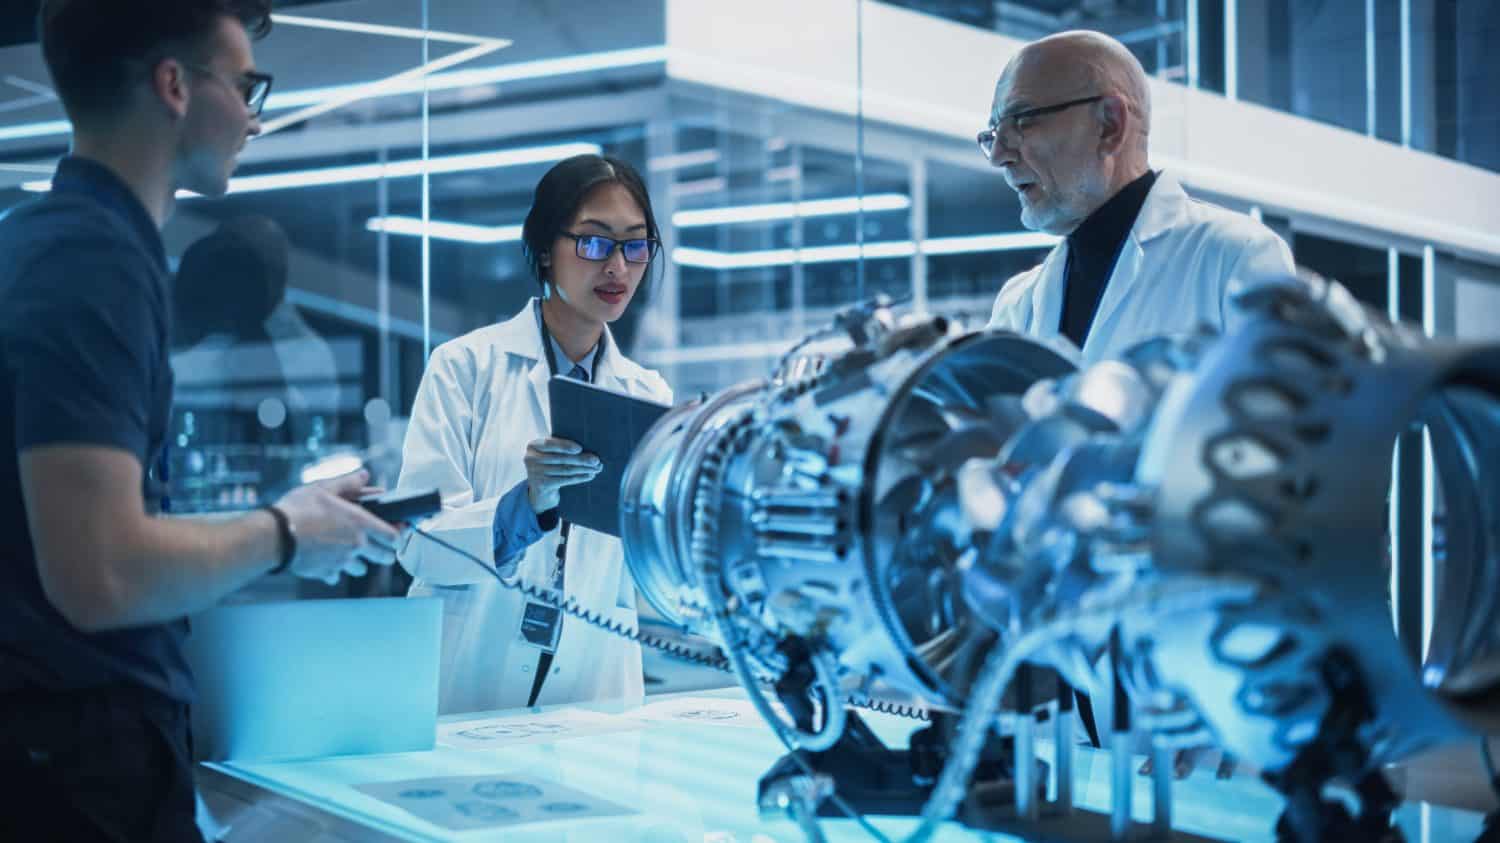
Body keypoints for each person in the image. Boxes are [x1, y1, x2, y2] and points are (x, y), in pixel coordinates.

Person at [0, 3, 399, 840]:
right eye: (246, 83)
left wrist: (300, 526)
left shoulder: (53, 239)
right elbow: (98, 571)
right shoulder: (91, 258)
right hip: (79, 776)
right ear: (175, 85)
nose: (256, 114)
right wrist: (285, 532)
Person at [395, 153, 672, 715]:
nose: (618, 266)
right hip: (470, 691)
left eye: (636, 245)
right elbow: (415, 542)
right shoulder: (464, 368)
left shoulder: (647, 395)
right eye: (594, 243)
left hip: (595, 700)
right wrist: (526, 503)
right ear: (546, 248)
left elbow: (651, 574)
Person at [983, 30, 1296, 362]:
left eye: (1023, 121)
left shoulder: (1235, 258)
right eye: (992, 134)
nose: (998, 154)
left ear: (1109, 124)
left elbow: (1282, 406)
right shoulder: (1017, 303)